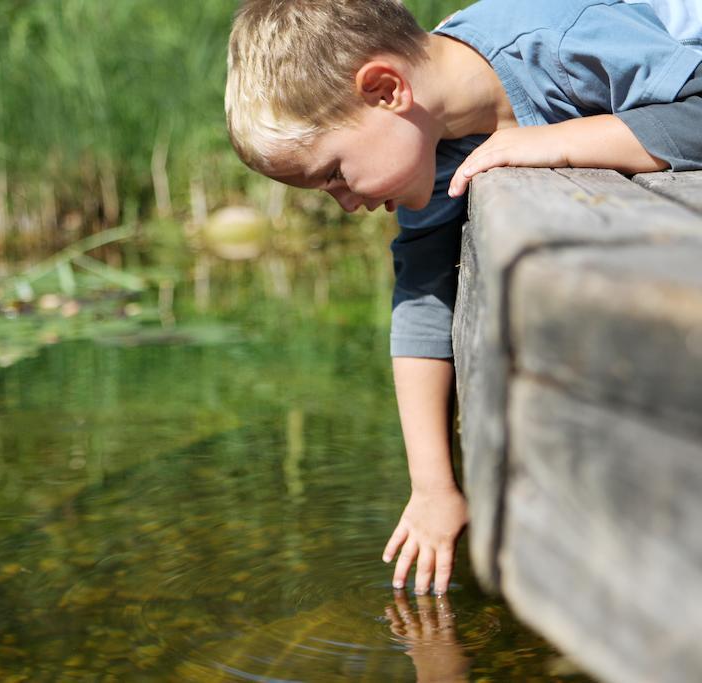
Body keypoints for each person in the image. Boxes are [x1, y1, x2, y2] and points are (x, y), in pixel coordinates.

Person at [224, 0, 702, 597]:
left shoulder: (561, 42)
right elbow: (422, 293)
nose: (345, 203)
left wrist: (563, 140)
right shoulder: (439, 133)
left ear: (384, 89)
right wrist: (432, 488)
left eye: (335, 174)